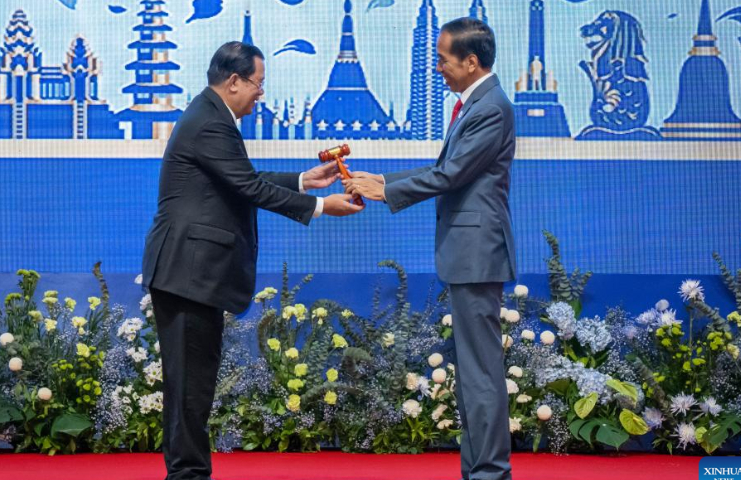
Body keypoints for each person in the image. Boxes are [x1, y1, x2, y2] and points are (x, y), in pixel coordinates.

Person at [141, 41, 362, 480]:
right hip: (188, 272)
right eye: (258, 83)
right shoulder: (210, 122)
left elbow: (242, 179)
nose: (261, 93)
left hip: (193, 273)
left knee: (194, 389)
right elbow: (249, 187)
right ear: (234, 80)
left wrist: (304, 180)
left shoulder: (211, 116)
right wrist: (320, 207)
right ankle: (187, 475)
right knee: (189, 390)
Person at [344, 18, 516, 480]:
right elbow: (446, 166)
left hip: (477, 254)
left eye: (443, 59)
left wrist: (386, 193)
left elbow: (451, 176)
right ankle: (479, 470)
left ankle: (490, 472)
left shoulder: (491, 107)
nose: (437, 68)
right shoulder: (475, 104)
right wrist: (384, 180)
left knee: (480, 373)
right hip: (469, 254)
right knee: (474, 372)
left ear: (471, 61)